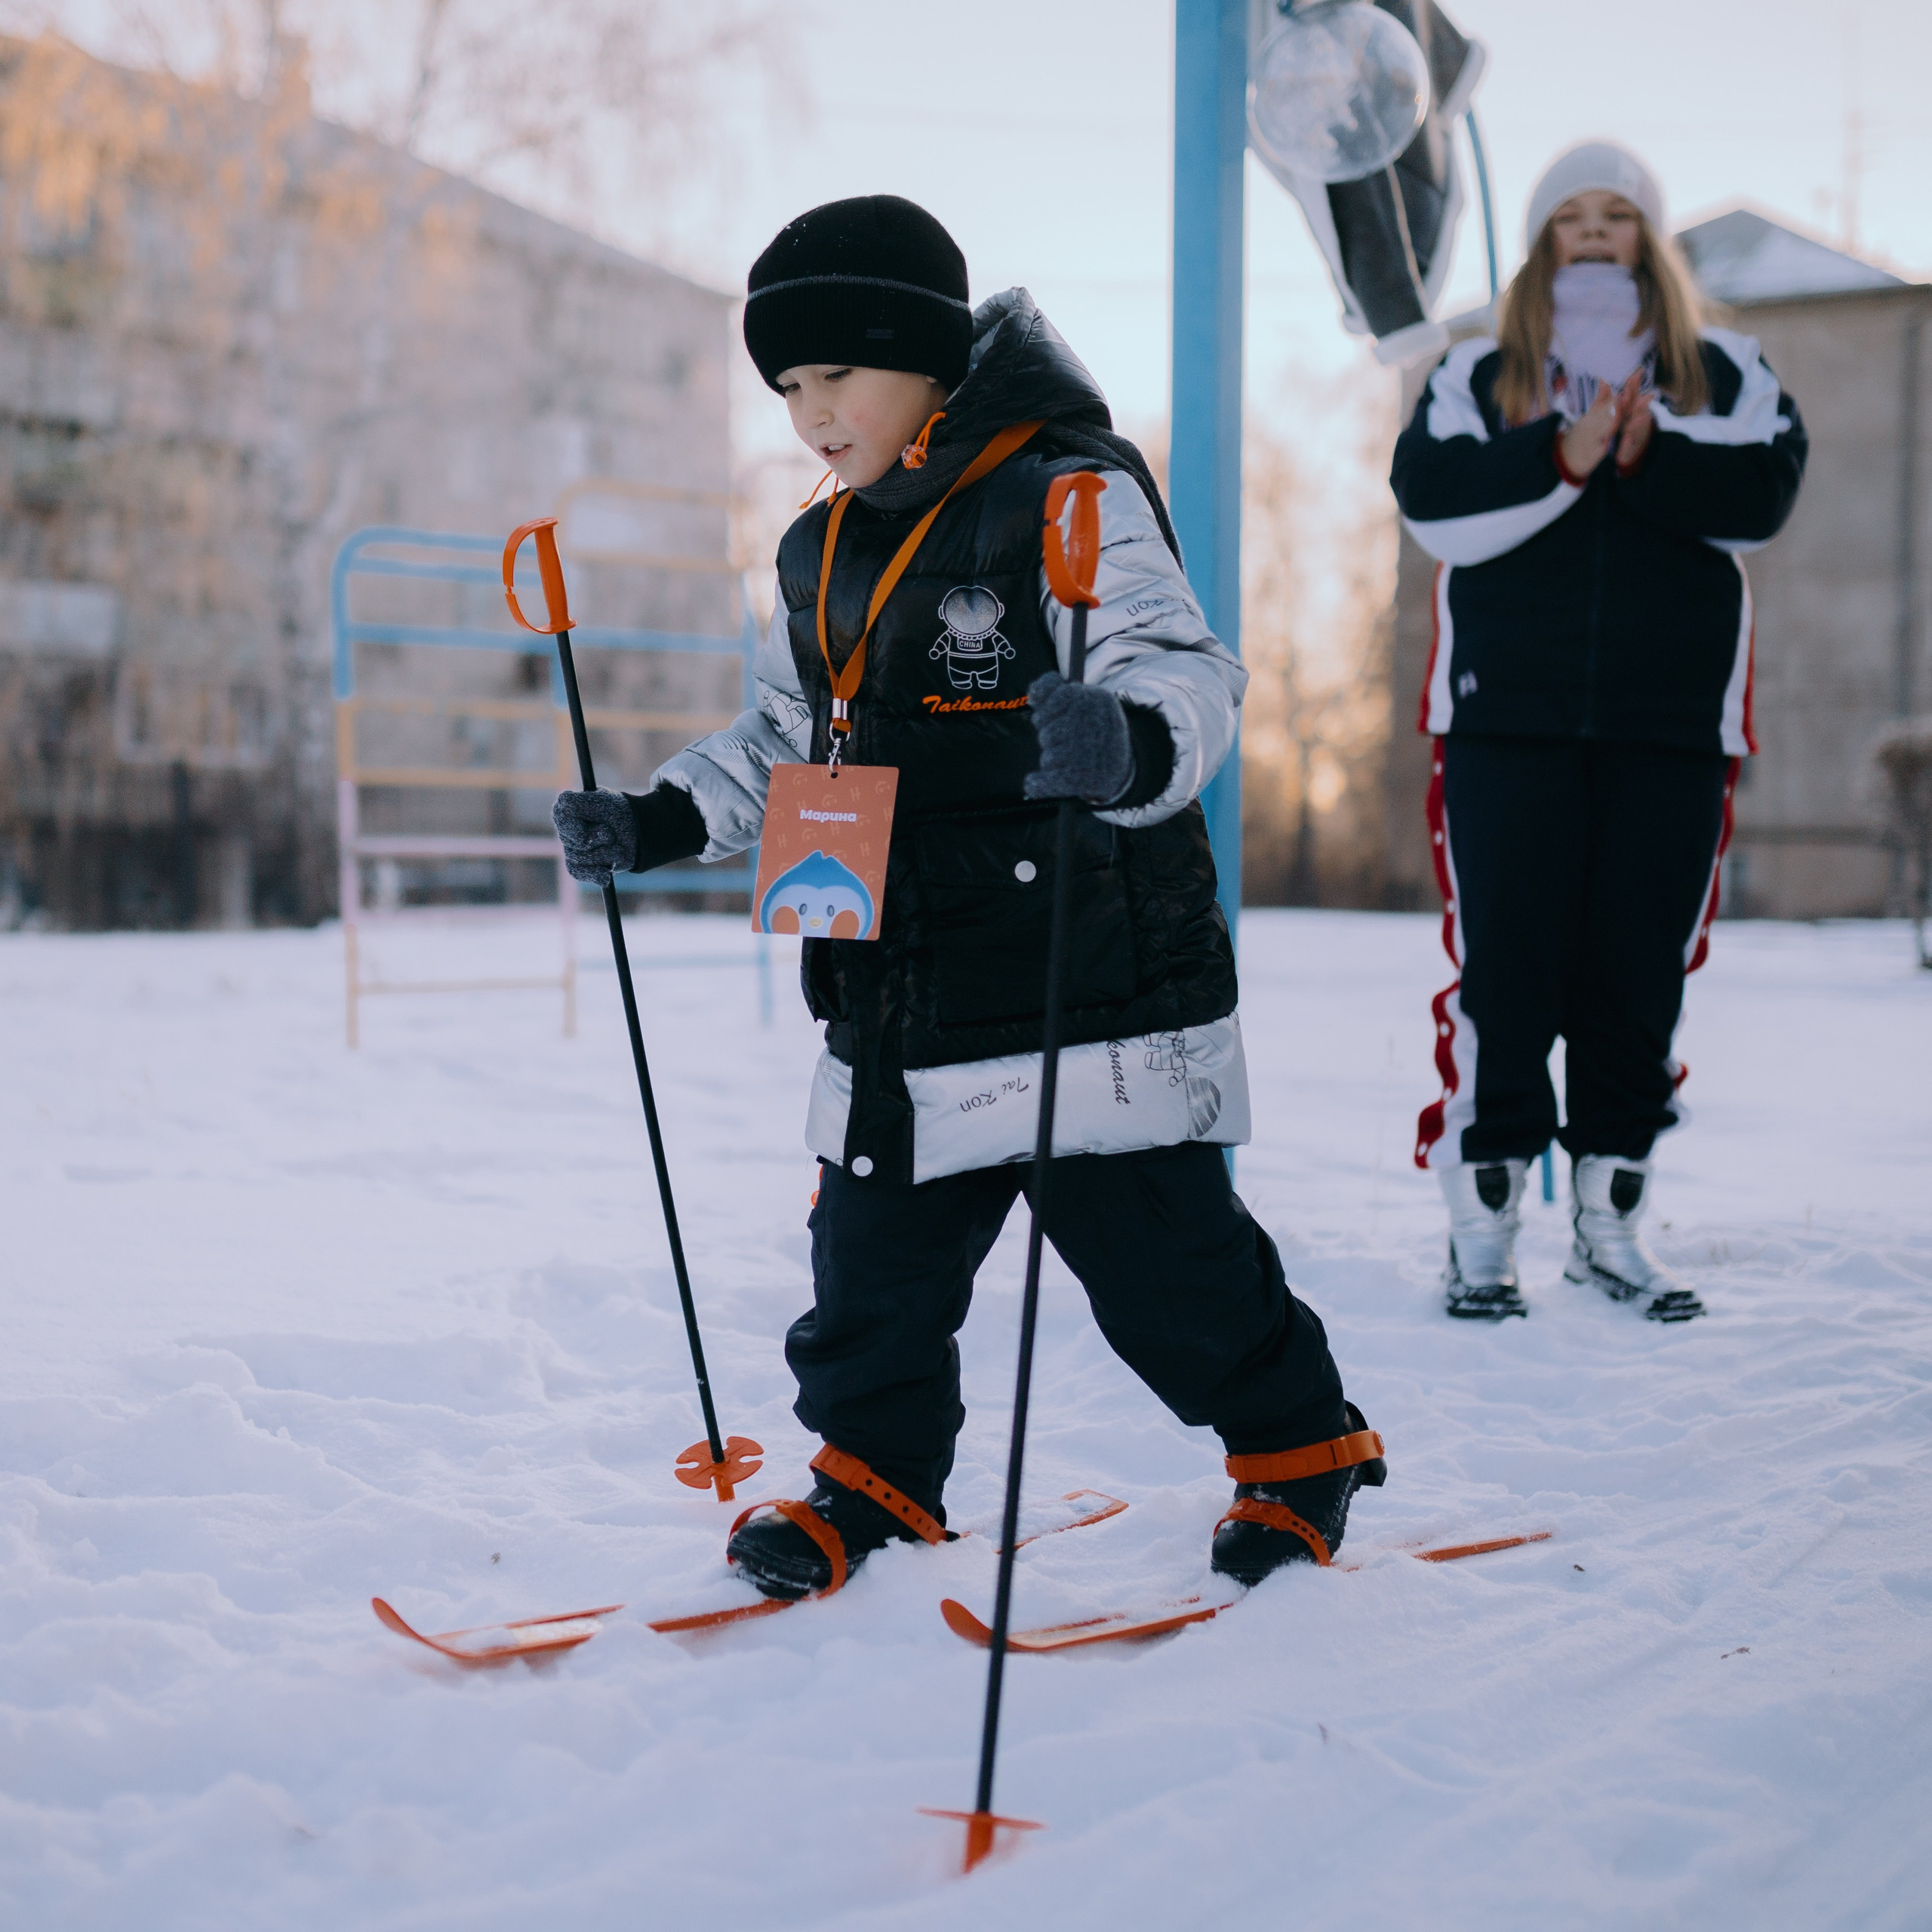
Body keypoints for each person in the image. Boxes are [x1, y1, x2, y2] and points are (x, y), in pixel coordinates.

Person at [555, 195, 1384, 1596]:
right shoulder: (819, 550)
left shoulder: (1066, 490)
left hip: (1084, 967)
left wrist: (1128, 741)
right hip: (901, 976)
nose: (814, 414)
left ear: (932, 360)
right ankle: (869, 1479)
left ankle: (1300, 1452)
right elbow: (781, 739)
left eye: (841, 375)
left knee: (1167, 1270)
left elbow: (1180, 663)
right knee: (867, 1262)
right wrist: (658, 817)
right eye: (790, 386)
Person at [1390, 143, 1807, 1324]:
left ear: (1649, 236)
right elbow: (1431, 501)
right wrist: (1557, 454)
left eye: (1616, 213)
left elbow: (1765, 496)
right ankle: (1485, 1230)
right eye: (1568, 213)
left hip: (1672, 730)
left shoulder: (1723, 368)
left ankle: (1611, 1225)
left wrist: (1646, 452)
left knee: (1637, 982)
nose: (1591, 229)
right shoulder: (1479, 369)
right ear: (1539, 237)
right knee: (1507, 978)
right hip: (1503, 725)